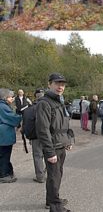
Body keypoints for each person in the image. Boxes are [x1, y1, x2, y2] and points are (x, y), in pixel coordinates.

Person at [36, 73, 72, 211]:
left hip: (60, 145)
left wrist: (67, 141)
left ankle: (51, 199)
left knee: (57, 175)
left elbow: (62, 124)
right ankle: (55, 206)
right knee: (53, 176)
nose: (60, 86)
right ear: (49, 84)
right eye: (57, 83)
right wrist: (50, 152)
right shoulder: (44, 103)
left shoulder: (59, 101)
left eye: (62, 84)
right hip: (52, 147)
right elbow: (43, 130)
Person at [22, 88, 46, 183]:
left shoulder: (28, 109)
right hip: (49, 136)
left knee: (38, 156)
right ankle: (51, 175)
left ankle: (40, 176)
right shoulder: (50, 106)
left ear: (35, 96)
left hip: (35, 137)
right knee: (50, 154)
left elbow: (25, 124)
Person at [0, 89, 22, 183]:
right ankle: (4, 175)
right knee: (4, 155)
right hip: (3, 136)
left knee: (3, 155)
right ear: (5, 97)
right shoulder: (2, 106)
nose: (12, 98)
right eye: (10, 97)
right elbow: (11, 117)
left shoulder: (3, 105)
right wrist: (20, 116)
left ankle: (6, 172)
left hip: (3, 135)